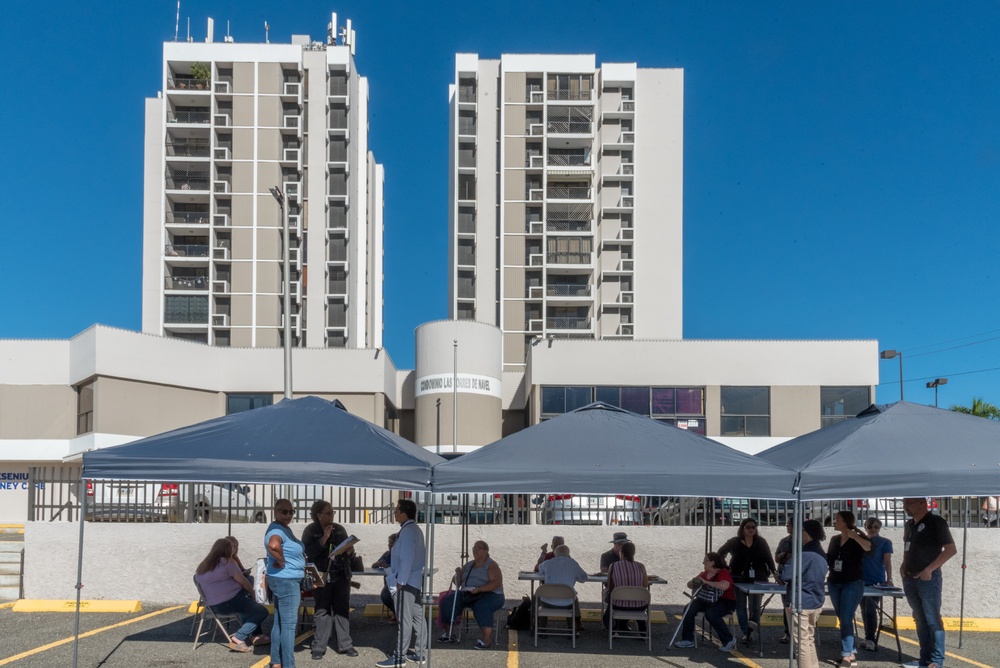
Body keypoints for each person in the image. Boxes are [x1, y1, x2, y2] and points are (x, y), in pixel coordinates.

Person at [301, 500, 363, 659]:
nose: (331, 515)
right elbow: (308, 552)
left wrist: (349, 550)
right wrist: (323, 539)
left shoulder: (339, 529)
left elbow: (347, 552)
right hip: (321, 575)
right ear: (319, 515)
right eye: (328, 513)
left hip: (341, 574)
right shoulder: (311, 530)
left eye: (332, 512)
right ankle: (319, 647)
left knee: (342, 609)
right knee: (322, 610)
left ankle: (345, 645)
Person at [900, 497, 957, 668]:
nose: (905, 507)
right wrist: (903, 566)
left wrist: (929, 570)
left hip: (928, 579)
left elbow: (950, 549)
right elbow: (908, 548)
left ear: (922, 503)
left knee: (932, 619)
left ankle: (936, 661)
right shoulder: (909, 525)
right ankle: (924, 659)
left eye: (908, 504)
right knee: (919, 618)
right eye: (904, 504)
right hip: (910, 579)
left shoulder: (936, 522)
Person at [194, 537, 269, 652]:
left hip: (213, 606)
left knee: (248, 608)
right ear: (227, 549)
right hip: (230, 601)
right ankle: (239, 637)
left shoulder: (203, 565)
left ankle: (256, 636)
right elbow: (244, 582)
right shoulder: (227, 562)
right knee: (261, 611)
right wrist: (254, 594)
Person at [378, 499, 427, 668]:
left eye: (396, 511)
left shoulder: (407, 532)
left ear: (403, 514)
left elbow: (407, 558)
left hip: (406, 582)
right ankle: (420, 653)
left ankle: (399, 656)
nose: (394, 513)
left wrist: (400, 581)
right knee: (418, 617)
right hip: (413, 581)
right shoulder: (415, 530)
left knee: (405, 619)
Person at [717, 517, 776, 645]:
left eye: (753, 527)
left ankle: (750, 631)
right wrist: (726, 568)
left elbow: (769, 559)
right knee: (741, 607)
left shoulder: (761, 542)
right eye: (748, 527)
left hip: (758, 580)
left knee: (755, 608)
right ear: (742, 528)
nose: (751, 529)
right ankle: (745, 632)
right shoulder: (735, 542)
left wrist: (775, 573)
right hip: (739, 579)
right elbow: (720, 553)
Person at [437, 540, 505, 649]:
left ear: (486, 551)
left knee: (482, 606)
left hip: (490, 594)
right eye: (474, 547)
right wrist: (458, 574)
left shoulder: (491, 565)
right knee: (447, 602)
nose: (475, 550)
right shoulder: (468, 565)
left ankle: (487, 639)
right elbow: (457, 582)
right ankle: (449, 634)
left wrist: (480, 589)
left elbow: (497, 583)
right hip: (468, 593)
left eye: (479, 548)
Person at [827, 510, 872, 668]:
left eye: (837, 520)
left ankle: (846, 655)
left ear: (845, 522)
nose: (834, 522)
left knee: (846, 618)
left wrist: (856, 537)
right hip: (834, 582)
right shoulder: (834, 539)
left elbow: (868, 548)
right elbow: (829, 558)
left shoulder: (857, 538)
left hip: (852, 582)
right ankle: (851, 651)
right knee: (843, 618)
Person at [265, 499, 306, 668]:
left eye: (291, 512)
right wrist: (282, 561)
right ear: (275, 511)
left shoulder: (281, 528)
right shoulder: (276, 529)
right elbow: (273, 546)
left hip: (281, 578)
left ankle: (276, 661)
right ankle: (289, 665)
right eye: (283, 511)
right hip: (287, 580)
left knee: (280, 623)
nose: (288, 515)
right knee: (289, 626)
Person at [787, 520, 830, 668]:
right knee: (808, 640)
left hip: (801, 602)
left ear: (808, 534)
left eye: (801, 531)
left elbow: (787, 573)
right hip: (815, 601)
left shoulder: (806, 554)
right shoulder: (820, 552)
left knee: (801, 645)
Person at [674, 552, 738, 651]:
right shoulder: (704, 574)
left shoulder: (723, 573)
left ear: (712, 562)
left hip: (725, 601)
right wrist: (694, 582)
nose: (703, 563)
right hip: (706, 599)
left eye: (705, 561)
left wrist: (706, 582)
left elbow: (724, 586)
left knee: (711, 613)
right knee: (689, 608)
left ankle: (728, 639)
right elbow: (689, 584)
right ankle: (688, 639)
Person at [860, 516, 894, 651]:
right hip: (861, 579)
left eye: (876, 527)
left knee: (870, 609)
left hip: (876, 580)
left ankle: (871, 638)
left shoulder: (885, 542)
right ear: (866, 527)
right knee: (864, 609)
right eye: (870, 526)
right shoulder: (861, 541)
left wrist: (889, 578)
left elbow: (887, 561)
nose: (873, 529)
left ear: (879, 528)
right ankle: (868, 636)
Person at [536, 544, 587, 632]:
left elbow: (538, 569)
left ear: (555, 553)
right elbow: (583, 578)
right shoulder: (573, 563)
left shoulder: (548, 563)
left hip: (547, 603)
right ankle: (572, 630)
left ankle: (541, 628)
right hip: (567, 604)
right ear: (568, 554)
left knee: (538, 596)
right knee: (572, 597)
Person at [602, 542, 649, 634]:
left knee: (609, 597)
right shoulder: (641, 566)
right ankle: (642, 630)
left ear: (621, 553)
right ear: (633, 553)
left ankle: (614, 627)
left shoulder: (614, 566)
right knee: (637, 600)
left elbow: (610, 585)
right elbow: (645, 585)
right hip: (639, 606)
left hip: (618, 605)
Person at [774, 518, 794, 643]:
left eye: (789, 524)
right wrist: (781, 557)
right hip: (784, 577)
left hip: (796, 578)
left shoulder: (803, 541)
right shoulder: (784, 541)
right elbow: (776, 557)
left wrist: (792, 556)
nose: (787, 526)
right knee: (786, 606)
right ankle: (787, 633)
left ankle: (795, 633)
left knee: (793, 606)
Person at [372, 534, 398, 623]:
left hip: (400, 582)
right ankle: (396, 612)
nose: (389, 545)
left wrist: (388, 566)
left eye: (391, 543)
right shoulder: (387, 554)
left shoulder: (402, 555)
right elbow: (373, 565)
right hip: (390, 583)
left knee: (387, 595)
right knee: (386, 595)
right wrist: (379, 563)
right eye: (388, 543)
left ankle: (398, 613)